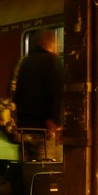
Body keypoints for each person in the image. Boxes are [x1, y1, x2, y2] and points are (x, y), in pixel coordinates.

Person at [12, 29, 63, 161]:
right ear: (48, 43)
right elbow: (56, 92)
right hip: (44, 130)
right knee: (45, 172)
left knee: (27, 171)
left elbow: (16, 95)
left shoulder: (24, 63)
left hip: (24, 129)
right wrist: (55, 121)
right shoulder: (51, 61)